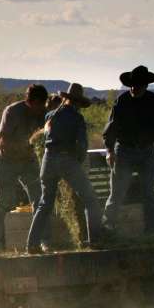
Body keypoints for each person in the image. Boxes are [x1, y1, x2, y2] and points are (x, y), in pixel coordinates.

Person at [25, 83, 102, 253]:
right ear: (77, 103)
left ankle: (32, 243)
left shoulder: (50, 116)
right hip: (67, 160)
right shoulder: (77, 118)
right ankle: (95, 240)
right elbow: (82, 146)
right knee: (90, 199)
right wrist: (78, 163)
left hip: (47, 159)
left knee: (45, 203)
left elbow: (44, 137)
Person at [102, 65, 154, 235]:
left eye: (138, 85)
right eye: (132, 85)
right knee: (117, 193)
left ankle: (152, 233)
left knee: (149, 195)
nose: (134, 88)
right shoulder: (122, 101)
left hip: (146, 152)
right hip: (124, 151)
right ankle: (107, 229)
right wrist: (109, 151)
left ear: (146, 85)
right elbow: (110, 129)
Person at [0, 83, 49, 254]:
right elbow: (3, 140)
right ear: (29, 101)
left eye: (43, 105)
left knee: (40, 200)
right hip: (7, 159)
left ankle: (41, 241)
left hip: (29, 160)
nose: (40, 108)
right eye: (38, 105)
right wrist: (25, 145)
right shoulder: (12, 112)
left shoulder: (43, 112)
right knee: (0, 202)